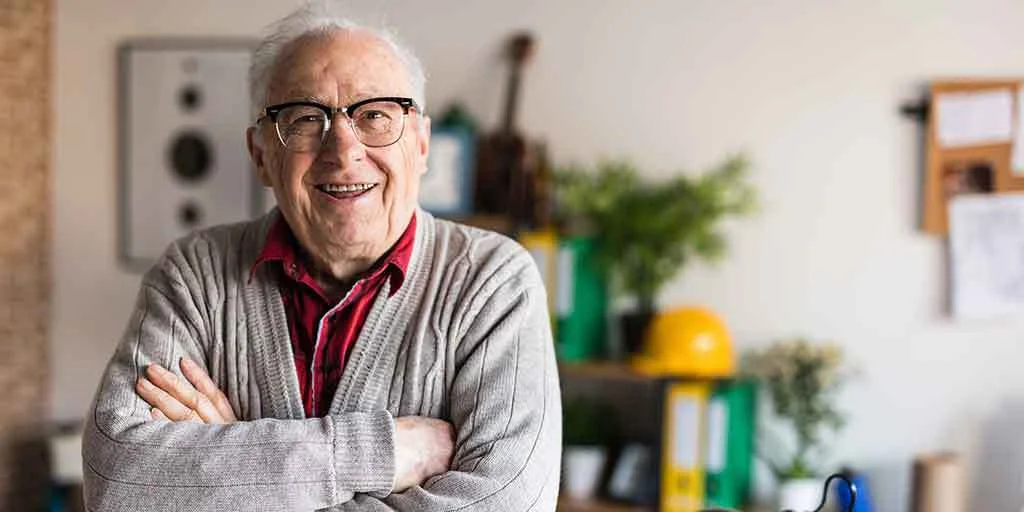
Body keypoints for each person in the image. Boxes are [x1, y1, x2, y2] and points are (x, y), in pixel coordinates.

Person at [82, 4, 562, 511]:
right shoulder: (192, 275)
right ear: (262, 154)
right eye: (307, 118)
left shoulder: (493, 281)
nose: (343, 149)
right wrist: (384, 454)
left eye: (375, 114)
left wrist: (233, 475)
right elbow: (115, 482)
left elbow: (510, 504)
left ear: (422, 144)